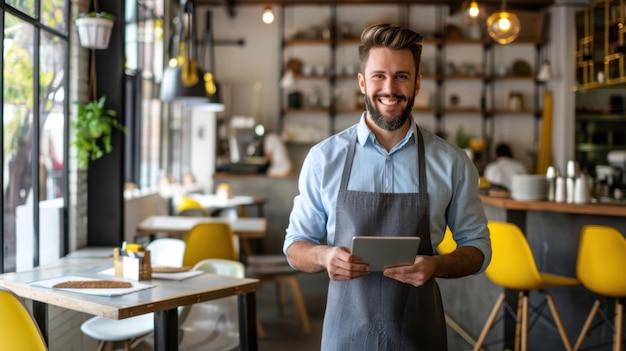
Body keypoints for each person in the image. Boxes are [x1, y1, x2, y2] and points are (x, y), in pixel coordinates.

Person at [282, 23, 491, 350]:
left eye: (402, 76)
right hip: (345, 337)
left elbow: (478, 250)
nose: (389, 88)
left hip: (421, 336)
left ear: (417, 83)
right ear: (362, 82)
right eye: (379, 76)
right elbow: (295, 246)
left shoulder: (451, 162)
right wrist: (324, 257)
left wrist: (436, 264)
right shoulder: (324, 159)